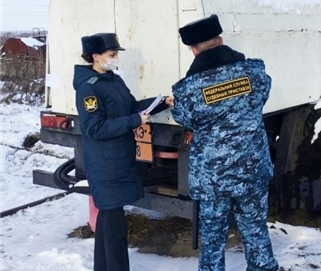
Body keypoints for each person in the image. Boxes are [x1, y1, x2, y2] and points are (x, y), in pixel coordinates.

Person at [171, 15, 279, 271]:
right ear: (220, 40)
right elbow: (263, 94)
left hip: (213, 179)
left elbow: (183, 117)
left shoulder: (187, 90)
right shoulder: (254, 72)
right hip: (252, 171)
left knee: (212, 239)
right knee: (255, 230)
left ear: (192, 50)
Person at [73, 32, 173, 271]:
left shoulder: (113, 80)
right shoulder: (89, 88)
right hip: (105, 163)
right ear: (95, 57)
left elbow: (132, 107)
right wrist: (133, 121)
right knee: (115, 226)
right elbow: (94, 128)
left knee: (109, 222)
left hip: (118, 159)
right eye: (112, 54)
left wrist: (160, 103)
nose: (116, 58)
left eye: (116, 54)